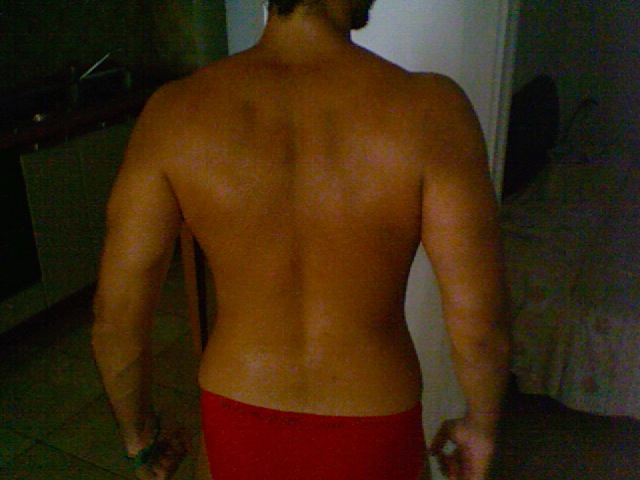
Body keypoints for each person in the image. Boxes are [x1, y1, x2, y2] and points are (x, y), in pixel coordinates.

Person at [92, 0, 511, 479]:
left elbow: (116, 316)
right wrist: (481, 427)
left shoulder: (174, 112)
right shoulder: (434, 110)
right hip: (374, 425)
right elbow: (481, 324)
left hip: (238, 415)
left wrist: (140, 437)